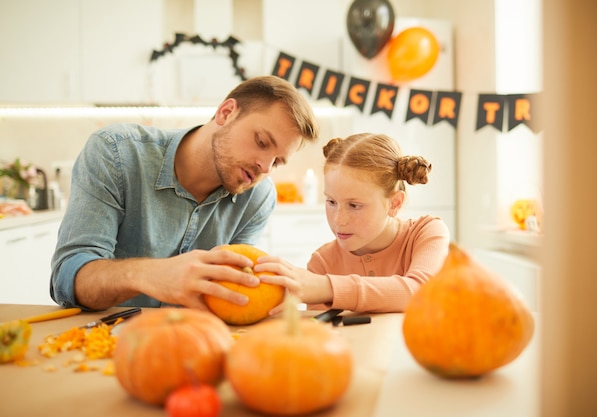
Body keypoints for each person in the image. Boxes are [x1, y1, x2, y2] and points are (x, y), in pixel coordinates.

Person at [50, 75, 320, 311]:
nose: (265, 167)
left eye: (277, 162)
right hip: (105, 342)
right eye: (261, 142)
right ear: (226, 113)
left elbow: (232, 291)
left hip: (194, 346)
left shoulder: (258, 198)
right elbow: (67, 279)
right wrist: (149, 275)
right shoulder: (116, 153)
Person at [255, 133, 450, 313]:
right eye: (331, 202)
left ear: (394, 203)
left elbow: (419, 292)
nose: (338, 220)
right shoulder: (322, 263)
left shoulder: (426, 233)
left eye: (354, 205)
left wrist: (327, 287)